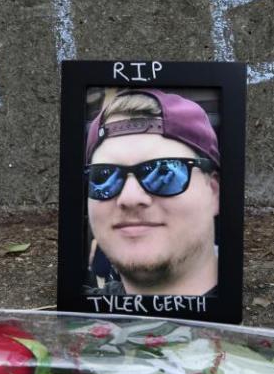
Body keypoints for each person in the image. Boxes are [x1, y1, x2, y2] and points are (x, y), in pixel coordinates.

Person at [84, 88, 220, 297]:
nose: (129, 198)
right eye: (103, 176)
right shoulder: (74, 318)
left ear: (214, 192)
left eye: (164, 170)